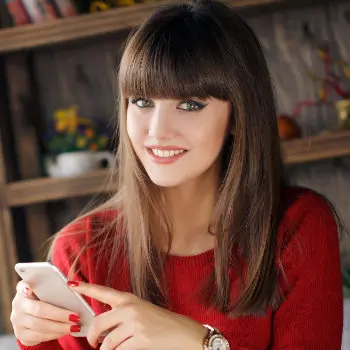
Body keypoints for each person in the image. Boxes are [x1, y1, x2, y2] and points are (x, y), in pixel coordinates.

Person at [11, 0, 343, 349]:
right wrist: (34, 338)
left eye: (190, 104)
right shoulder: (81, 251)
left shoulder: (297, 228)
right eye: (142, 101)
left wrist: (201, 343)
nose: (158, 131)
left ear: (238, 115)